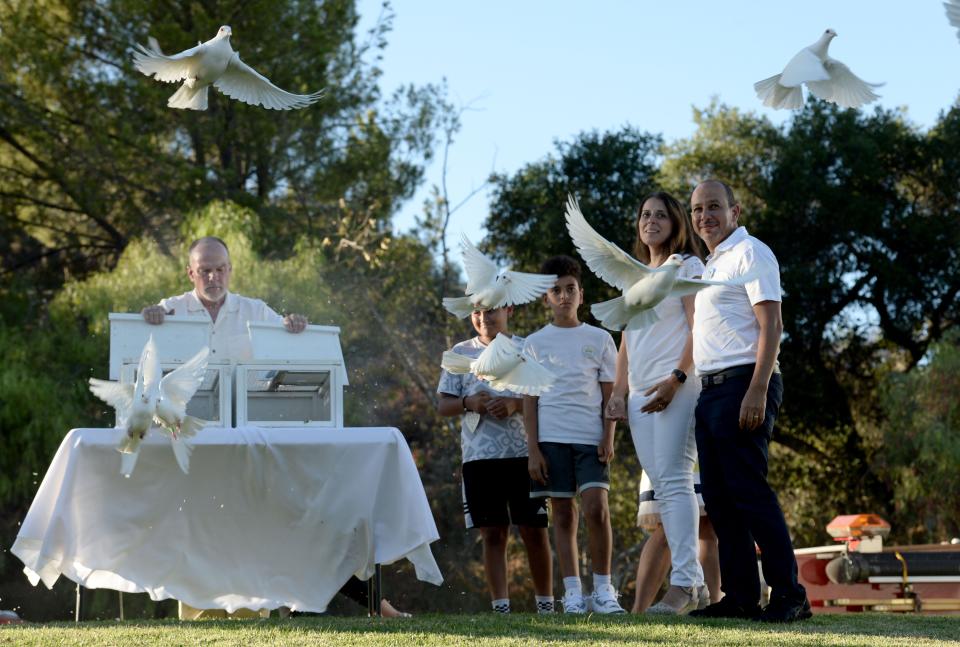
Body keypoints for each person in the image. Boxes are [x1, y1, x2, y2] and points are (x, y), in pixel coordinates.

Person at [685, 180, 811, 623]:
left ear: (735, 211)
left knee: (750, 492)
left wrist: (757, 389)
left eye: (714, 206)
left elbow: (771, 325)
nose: (705, 216)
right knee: (720, 501)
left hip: (744, 383)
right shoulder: (708, 265)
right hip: (710, 389)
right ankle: (740, 596)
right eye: (698, 209)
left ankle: (790, 595)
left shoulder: (751, 252)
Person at [604, 191, 709, 614]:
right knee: (664, 485)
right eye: (645, 214)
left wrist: (677, 378)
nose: (651, 221)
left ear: (676, 222)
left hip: (678, 387)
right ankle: (695, 585)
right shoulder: (634, 276)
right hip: (638, 397)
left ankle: (683, 583)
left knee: (675, 478)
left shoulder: (686, 266)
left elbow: (698, 327)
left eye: (661, 215)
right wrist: (617, 391)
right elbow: (627, 338)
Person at [524, 255, 625, 615]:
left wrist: (608, 436)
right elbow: (529, 401)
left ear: (581, 294)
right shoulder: (534, 343)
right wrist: (533, 449)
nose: (564, 296)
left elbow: (611, 396)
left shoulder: (599, 339)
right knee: (564, 515)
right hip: (551, 439)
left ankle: (603, 591)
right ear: (545, 298)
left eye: (570, 289)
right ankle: (572, 594)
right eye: (556, 290)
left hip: (590, 438)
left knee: (597, 509)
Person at [437, 306, 554, 614]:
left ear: (508, 309)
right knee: (492, 533)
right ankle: (500, 609)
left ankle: (546, 605)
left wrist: (516, 404)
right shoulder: (459, 352)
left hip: (525, 454)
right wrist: (470, 402)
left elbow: (546, 395)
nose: (483, 318)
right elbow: (443, 405)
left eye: (491, 311)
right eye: (476, 311)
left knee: (534, 530)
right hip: (479, 456)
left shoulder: (527, 346)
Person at [142, 236, 307, 352]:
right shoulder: (170, 309)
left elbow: (287, 339)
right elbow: (138, 341)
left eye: (220, 269)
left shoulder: (256, 311)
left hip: (243, 401)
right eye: (205, 270)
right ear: (191, 274)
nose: (213, 277)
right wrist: (149, 317)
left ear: (229, 269)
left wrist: (294, 323)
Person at [630, 469, 721, 613]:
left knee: (706, 523)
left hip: (703, 452)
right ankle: (639, 610)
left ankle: (714, 606)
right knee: (669, 524)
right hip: (670, 456)